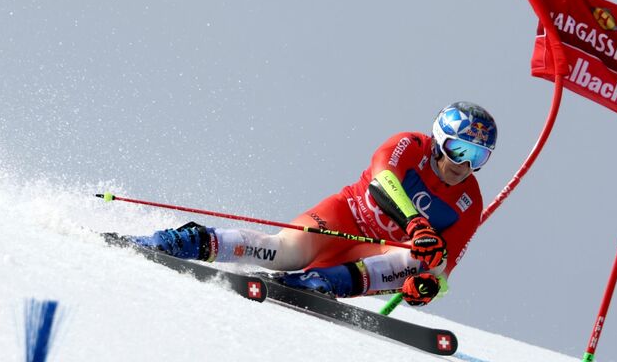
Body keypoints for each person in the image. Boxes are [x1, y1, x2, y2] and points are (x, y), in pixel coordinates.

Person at [132, 101, 497, 306]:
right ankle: (189, 240)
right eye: (458, 150)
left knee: (419, 258)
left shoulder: (470, 201)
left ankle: (318, 283)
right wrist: (416, 223)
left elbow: (443, 273)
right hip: (344, 218)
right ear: (438, 140)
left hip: (373, 257)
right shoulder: (410, 145)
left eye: (477, 158)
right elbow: (382, 184)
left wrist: (425, 289)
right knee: (284, 250)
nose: (462, 166)